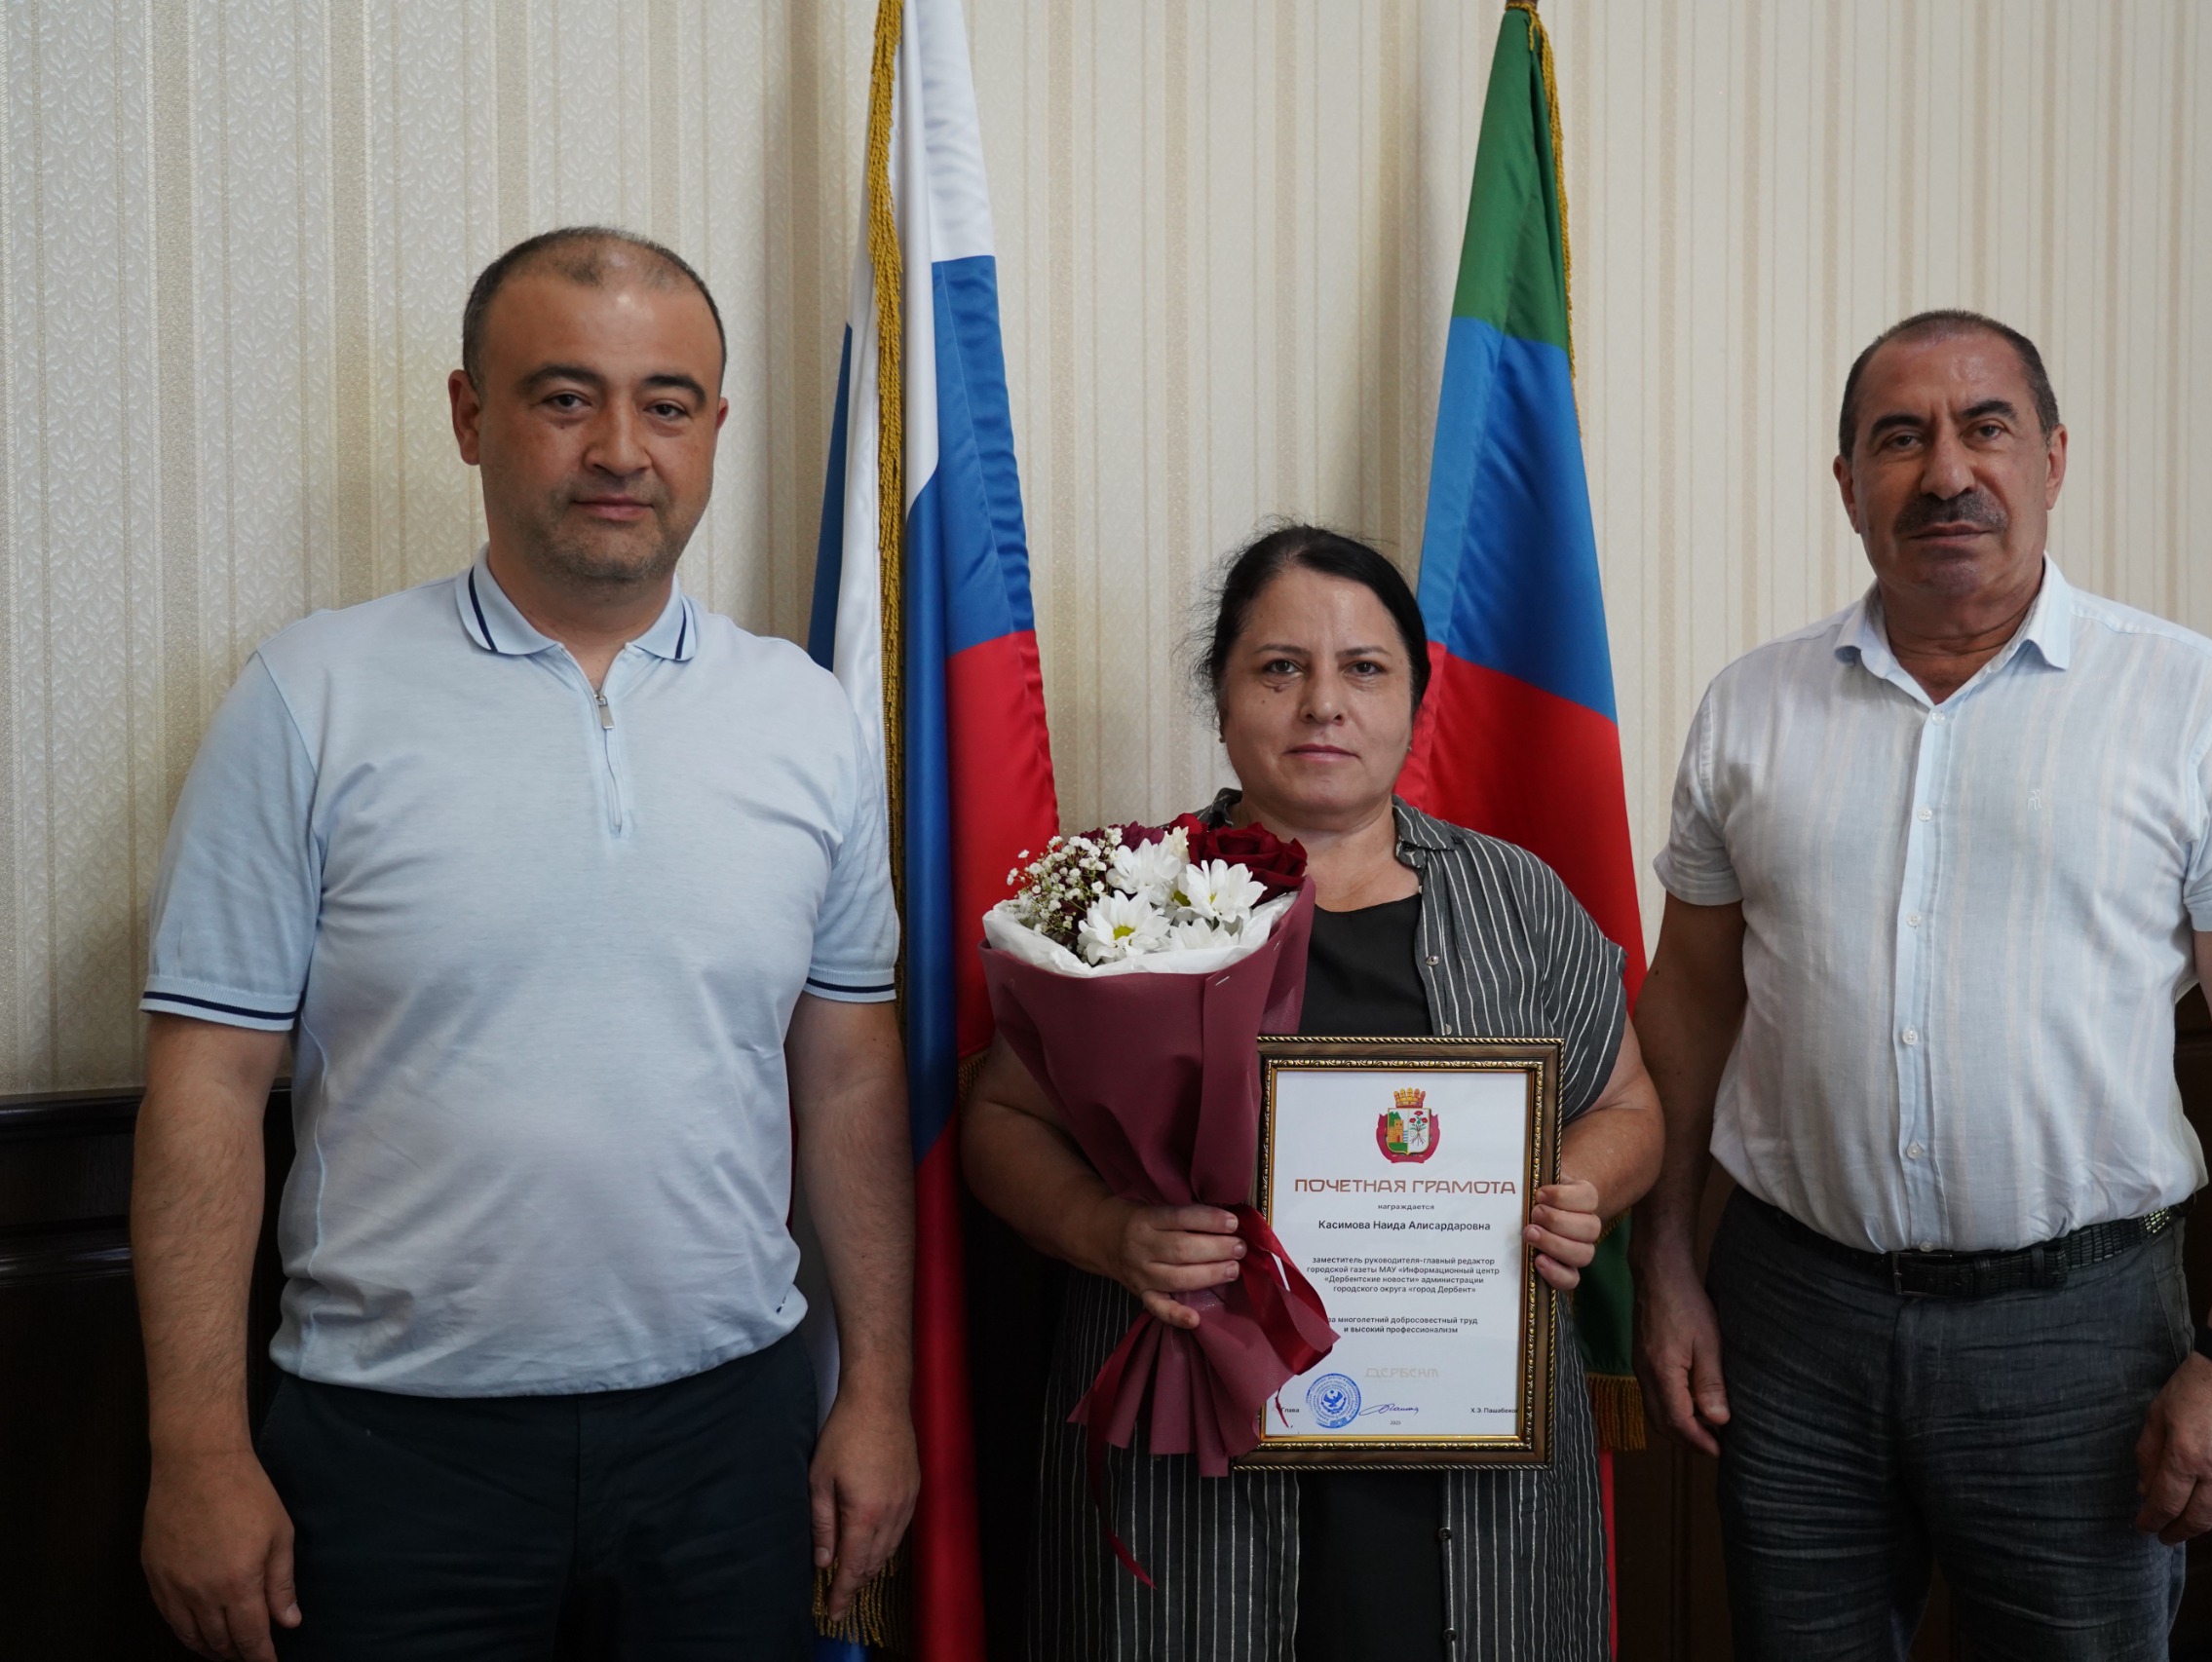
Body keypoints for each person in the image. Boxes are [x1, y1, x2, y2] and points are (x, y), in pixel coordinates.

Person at [129, 226, 918, 1662]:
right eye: (565, 397)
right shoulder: (310, 697)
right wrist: (195, 1449)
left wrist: (877, 1389)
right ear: (469, 415)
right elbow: (208, 1087)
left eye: (665, 403)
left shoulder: (807, 719)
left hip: (729, 1441)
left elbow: (851, 1075)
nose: (620, 448)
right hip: (394, 1448)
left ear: (714, 427)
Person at [1630, 310, 2212, 1660]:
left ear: (2053, 459)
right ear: (1847, 482)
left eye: (1986, 428)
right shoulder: (1749, 708)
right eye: (1900, 438)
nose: (1946, 472)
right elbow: (1690, 1004)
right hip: (1791, 1320)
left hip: (2077, 1336)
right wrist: (1660, 1260)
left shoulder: (2199, 707)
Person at [960, 525, 1663, 1661]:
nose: (1323, 703)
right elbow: (1000, 1118)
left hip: (1466, 1448)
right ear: (1221, 692)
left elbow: (1627, 1105)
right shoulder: (1127, 896)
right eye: (1280, 666)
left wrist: (1575, 1188)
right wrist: (1107, 1231)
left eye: (1364, 668)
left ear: (1416, 697)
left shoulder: (1518, 900)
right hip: (1191, 1471)